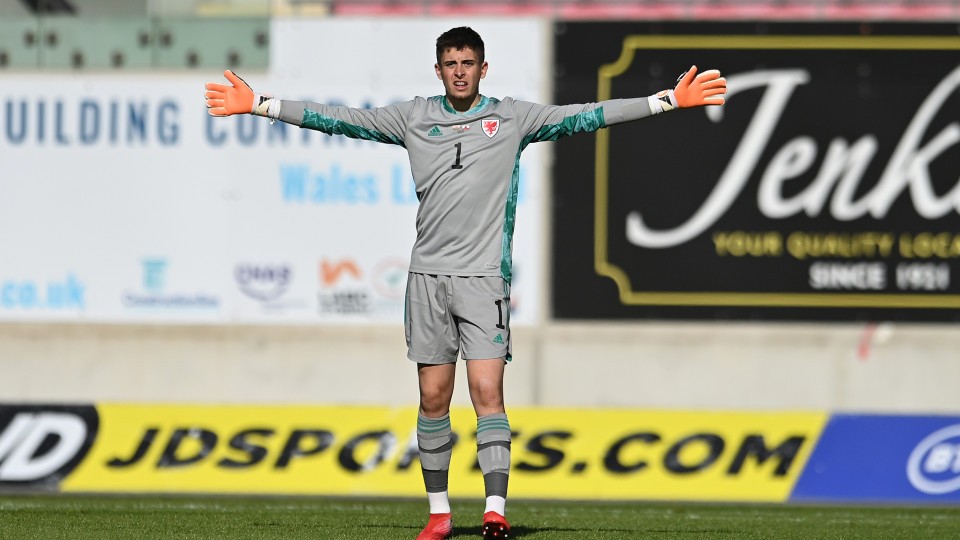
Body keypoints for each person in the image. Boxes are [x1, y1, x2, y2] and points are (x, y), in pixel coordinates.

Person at [205, 26, 726, 540]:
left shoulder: (513, 117)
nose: (459, 72)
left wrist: (665, 101)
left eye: (468, 63)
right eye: (450, 64)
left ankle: (494, 512)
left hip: (482, 282)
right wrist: (261, 105)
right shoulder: (414, 116)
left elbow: (585, 116)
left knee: (486, 391)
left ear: (483, 68)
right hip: (427, 279)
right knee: (433, 398)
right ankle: (439, 514)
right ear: (438, 70)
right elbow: (340, 120)